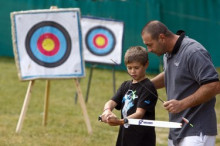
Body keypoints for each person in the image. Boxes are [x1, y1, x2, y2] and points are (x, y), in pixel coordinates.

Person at [141, 20, 220, 146]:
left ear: (162, 37)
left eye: (150, 45)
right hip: (176, 130)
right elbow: (170, 74)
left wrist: (182, 104)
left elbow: (214, 85)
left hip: (196, 130)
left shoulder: (193, 51)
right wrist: (146, 85)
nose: (148, 50)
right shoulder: (168, 53)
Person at [100, 46, 158, 146]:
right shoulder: (125, 85)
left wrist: (119, 121)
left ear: (146, 65)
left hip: (142, 140)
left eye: (136, 68)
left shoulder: (148, 87)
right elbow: (111, 102)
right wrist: (107, 111)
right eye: (129, 68)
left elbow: (139, 114)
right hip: (125, 137)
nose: (132, 71)